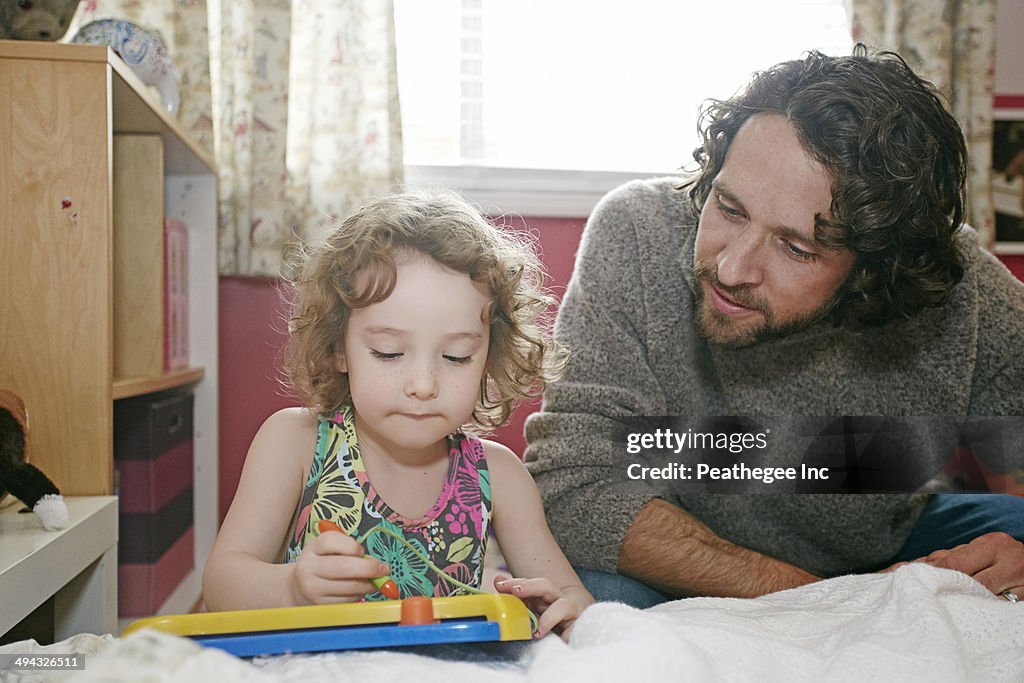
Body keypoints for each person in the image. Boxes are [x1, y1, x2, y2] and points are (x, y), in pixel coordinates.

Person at [524, 45, 1024, 607]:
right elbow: (576, 485)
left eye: (795, 247)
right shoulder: (636, 232)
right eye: (729, 209)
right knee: (597, 605)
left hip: (883, 542)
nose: (731, 269)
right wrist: (835, 603)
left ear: (878, 268)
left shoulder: (962, 291)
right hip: (676, 552)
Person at [204, 191, 593, 638]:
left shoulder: (499, 473)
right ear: (338, 348)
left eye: (456, 356)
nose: (423, 385)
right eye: (388, 353)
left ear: (489, 357)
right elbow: (220, 585)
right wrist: (293, 587)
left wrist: (559, 608)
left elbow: (572, 598)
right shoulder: (295, 442)